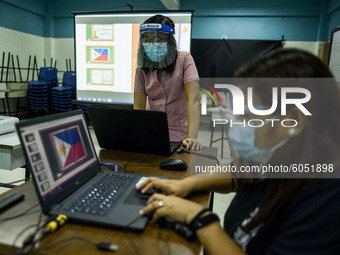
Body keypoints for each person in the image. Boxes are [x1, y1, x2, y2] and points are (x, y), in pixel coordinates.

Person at [137, 48, 340, 254]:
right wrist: (187, 184)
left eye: (247, 115)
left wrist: (200, 219)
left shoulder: (328, 200)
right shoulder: (285, 158)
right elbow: (240, 171)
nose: (237, 124)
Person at [134, 14, 202, 150]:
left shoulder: (184, 60)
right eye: (147, 40)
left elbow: (193, 101)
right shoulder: (141, 69)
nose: (152, 45)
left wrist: (192, 137)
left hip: (180, 135)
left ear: (170, 42)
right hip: (151, 133)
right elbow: (138, 107)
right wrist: (138, 135)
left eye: (159, 40)